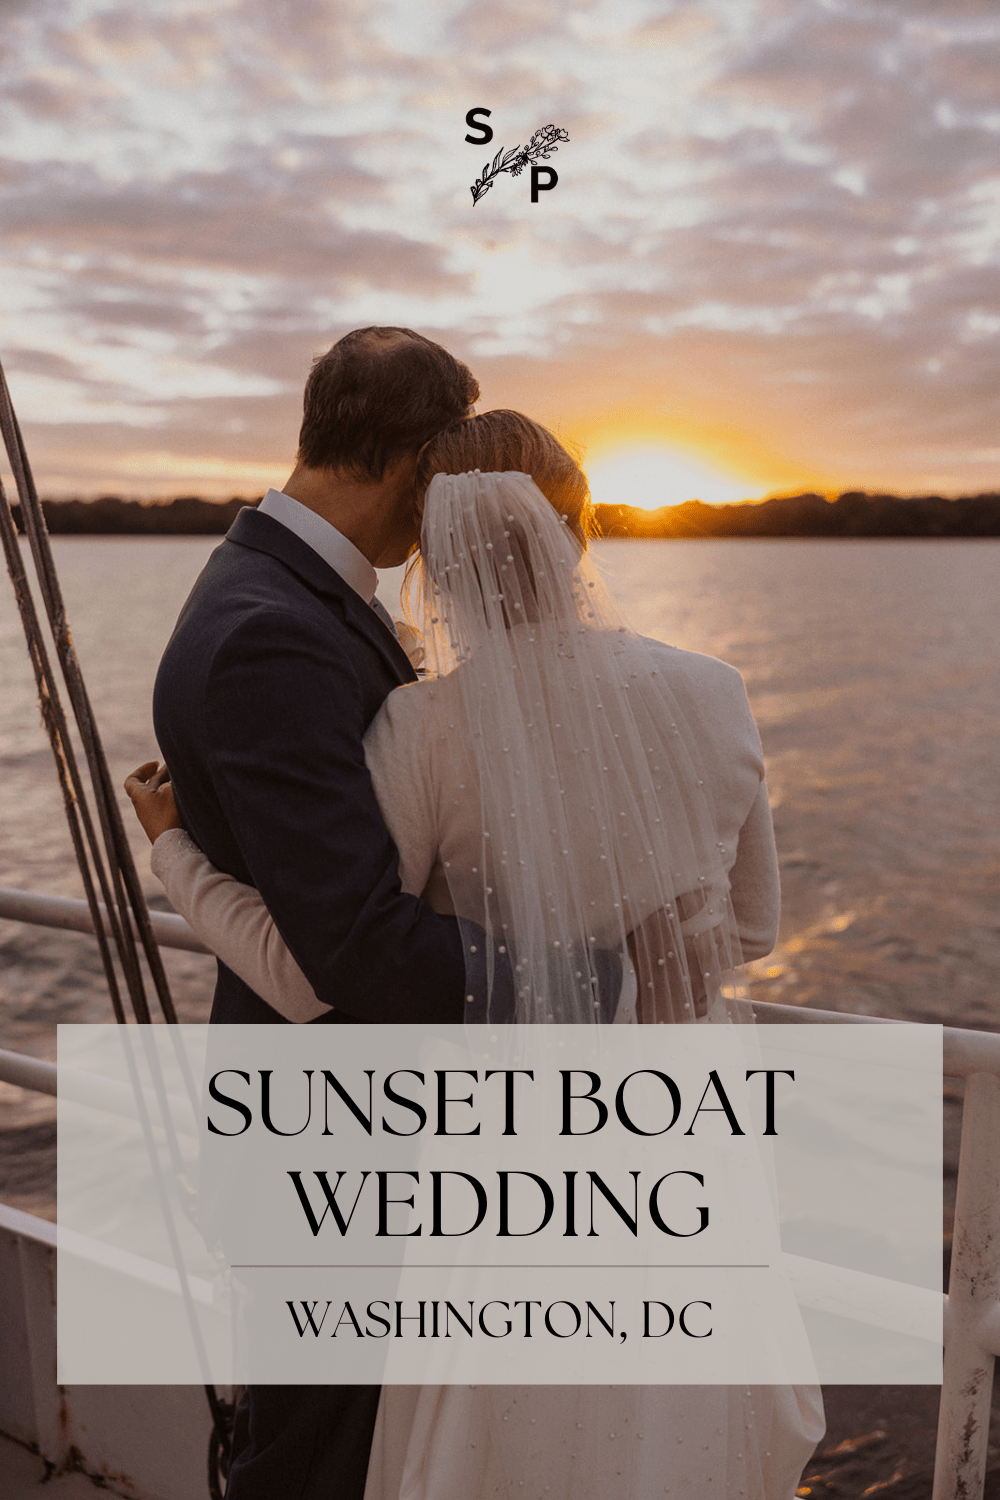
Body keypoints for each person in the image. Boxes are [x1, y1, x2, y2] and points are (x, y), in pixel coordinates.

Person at [128, 411, 824, 1497]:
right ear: (579, 529)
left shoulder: (420, 731)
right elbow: (750, 932)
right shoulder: (715, 692)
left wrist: (178, 860)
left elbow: (322, 973)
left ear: (436, 556)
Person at [146, 326, 480, 1500]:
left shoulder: (271, 585)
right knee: (315, 1464)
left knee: (330, 1446)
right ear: (417, 460)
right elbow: (353, 947)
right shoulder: (274, 633)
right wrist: (573, 976)